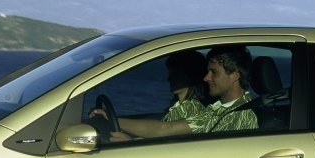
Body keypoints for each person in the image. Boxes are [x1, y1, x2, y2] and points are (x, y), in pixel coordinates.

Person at [110, 45, 258, 139]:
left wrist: (115, 123)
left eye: (214, 72)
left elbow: (164, 130)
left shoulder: (241, 116)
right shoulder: (218, 110)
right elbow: (165, 131)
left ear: (235, 75)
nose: (206, 78)